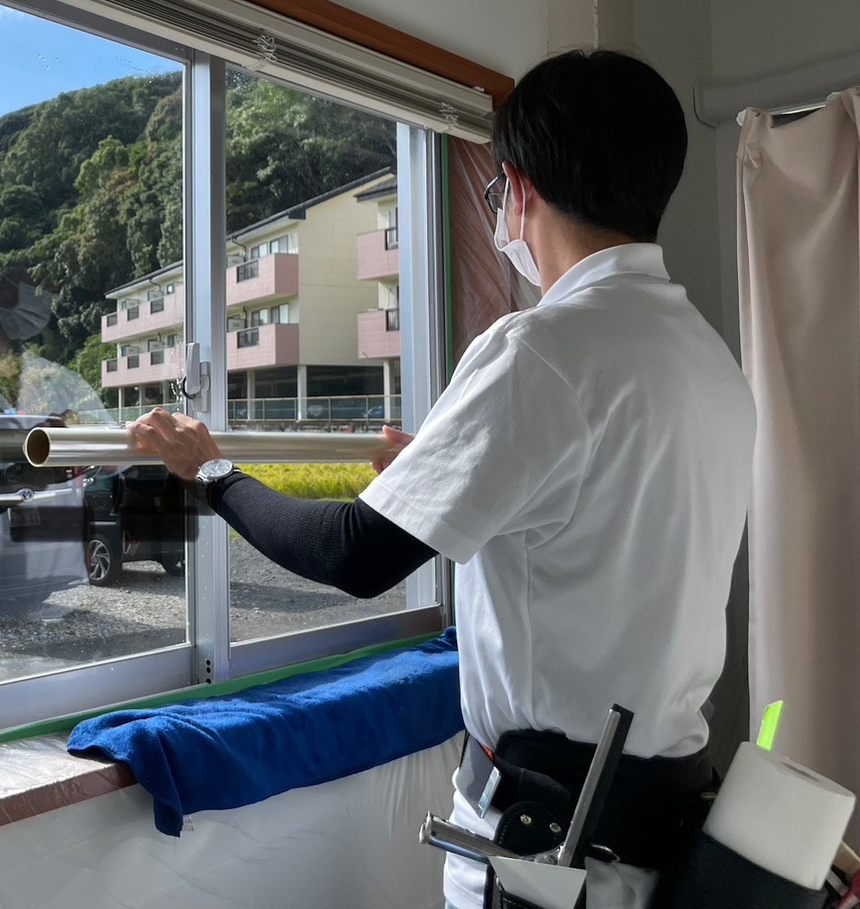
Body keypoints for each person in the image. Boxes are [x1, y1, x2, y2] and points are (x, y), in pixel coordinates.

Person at [128, 50, 756, 909]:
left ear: (518, 188)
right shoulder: (709, 360)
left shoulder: (538, 348)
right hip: (662, 835)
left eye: (494, 193)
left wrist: (210, 470)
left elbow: (353, 555)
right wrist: (444, 473)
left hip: (549, 850)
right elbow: (599, 525)